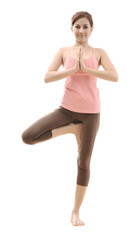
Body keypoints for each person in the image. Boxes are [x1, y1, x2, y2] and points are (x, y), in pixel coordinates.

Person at [21, 11, 118, 226]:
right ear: (71, 28)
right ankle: (72, 129)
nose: (81, 31)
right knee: (28, 136)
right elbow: (47, 77)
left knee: (83, 163)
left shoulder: (99, 52)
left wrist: (89, 70)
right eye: (77, 26)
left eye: (85, 27)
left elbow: (114, 76)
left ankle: (75, 212)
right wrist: (73, 69)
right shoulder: (64, 51)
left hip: (91, 113)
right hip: (66, 110)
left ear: (92, 29)